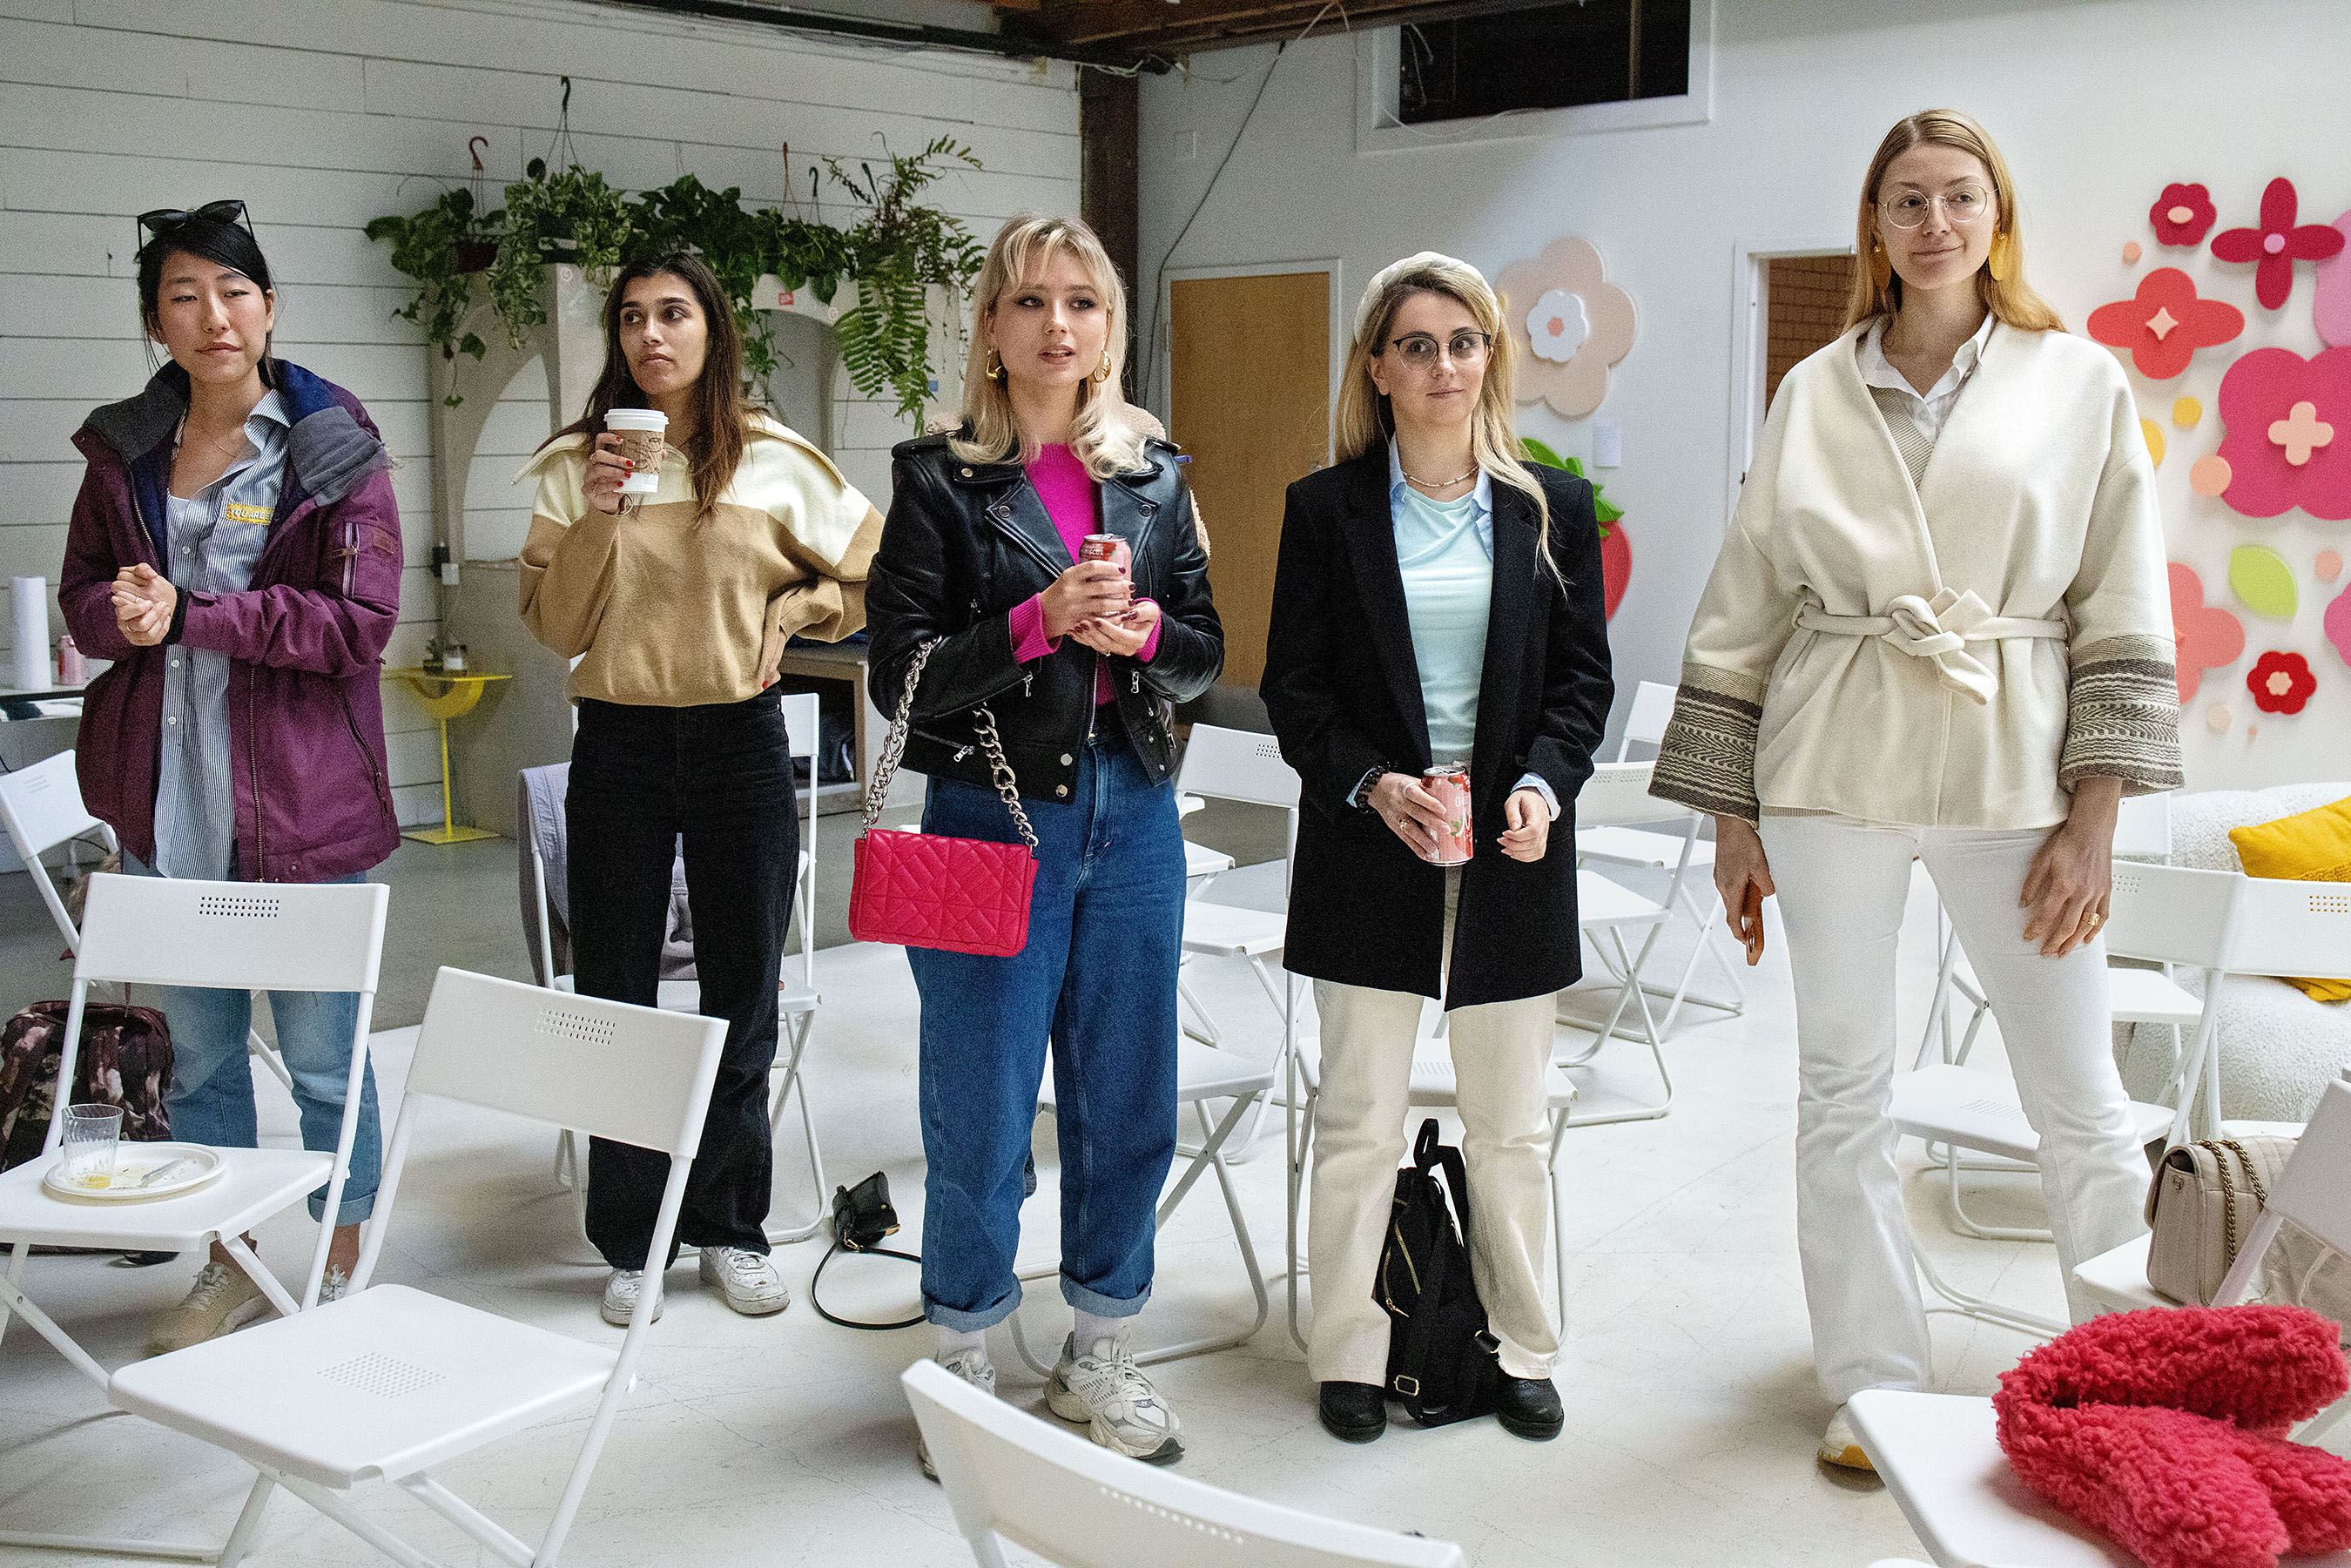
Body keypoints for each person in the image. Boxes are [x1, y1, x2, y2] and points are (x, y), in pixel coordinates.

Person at [1649, 110, 2181, 1470]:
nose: (1933, 223)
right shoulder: (1815, 388)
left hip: (2017, 765)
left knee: (2081, 1103)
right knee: (1843, 1090)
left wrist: (2096, 817)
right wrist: (1731, 815)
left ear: (1995, 219)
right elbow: (1745, 602)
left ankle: (2125, 1385)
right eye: (1906, 201)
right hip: (1832, 765)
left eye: (1959, 198)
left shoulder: (2080, 382)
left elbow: (2121, 600)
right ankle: (1873, 1381)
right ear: (1874, 229)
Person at [866, 214, 1223, 1474]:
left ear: (1107, 327)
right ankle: (963, 1346)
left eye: (1081, 301)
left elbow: (1207, 651)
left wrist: (1141, 642)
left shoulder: (1156, 473)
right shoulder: (934, 480)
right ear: (990, 327)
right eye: (1028, 301)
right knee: (979, 1098)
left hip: (1134, 817)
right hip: (987, 817)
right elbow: (894, 677)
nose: (1056, 324)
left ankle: (1099, 1350)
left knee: (1128, 1098)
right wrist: (1034, 621)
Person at [1262, 252, 1613, 1446]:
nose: (1443, 364)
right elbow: (1296, 695)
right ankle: (1350, 1351)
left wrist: (1544, 787)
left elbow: (1581, 686)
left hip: (1515, 858)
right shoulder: (1325, 511)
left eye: (1464, 342)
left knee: (1512, 1125)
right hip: (1372, 849)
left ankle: (1521, 1345)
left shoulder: (1550, 508)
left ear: (1490, 359)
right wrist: (1374, 784)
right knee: (1358, 1116)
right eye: (1417, 344)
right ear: (1379, 368)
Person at [61, 200, 401, 1351]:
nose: (213, 316)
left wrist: (195, 615)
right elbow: (81, 600)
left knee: (321, 1054)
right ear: (156, 321)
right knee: (198, 1054)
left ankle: (344, 1245)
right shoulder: (125, 453)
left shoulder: (333, 444)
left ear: (270, 307)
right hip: (168, 798)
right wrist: (118, 610)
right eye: (183, 295)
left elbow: (359, 623)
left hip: (303, 804)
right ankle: (236, 1254)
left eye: (234, 290)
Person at [518, 251, 882, 1327]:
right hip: (619, 743)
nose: (651, 335)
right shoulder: (572, 464)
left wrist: (796, 616)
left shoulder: (773, 458)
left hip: (740, 741)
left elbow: (873, 563)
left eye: (673, 314)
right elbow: (552, 625)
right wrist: (595, 517)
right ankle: (634, 1239)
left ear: (713, 331)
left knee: (741, 993)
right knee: (617, 993)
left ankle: (729, 1224)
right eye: (632, 318)